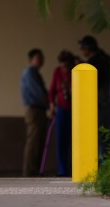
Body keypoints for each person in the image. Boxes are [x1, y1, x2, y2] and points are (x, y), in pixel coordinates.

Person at [79, 35, 110, 157]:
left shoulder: (94, 63)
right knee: (103, 138)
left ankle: (101, 170)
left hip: (97, 104)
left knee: (99, 139)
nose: (81, 51)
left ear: (88, 48)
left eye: (82, 48)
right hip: (104, 104)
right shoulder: (104, 60)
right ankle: (103, 168)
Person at [20, 48, 48, 177]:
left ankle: (35, 169)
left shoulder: (35, 73)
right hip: (34, 109)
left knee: (39, 141)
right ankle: (29, 171)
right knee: (33, 141)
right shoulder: (30, 73)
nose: (41, 60)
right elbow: (38, 93)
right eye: (38, 58)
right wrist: (49, 102)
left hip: (39, 109)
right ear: (31, 59)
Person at [48, 51, 75, 177]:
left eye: (67, 65)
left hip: (75, 110)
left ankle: (75, 168)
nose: (65, 68)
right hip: (61, 109)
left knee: (74, 140)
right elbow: (52, 90)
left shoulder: (76, 71)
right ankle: (62, 170)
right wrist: (52, 105)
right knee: (61, 140)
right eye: (63, 65)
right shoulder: (57, 72)